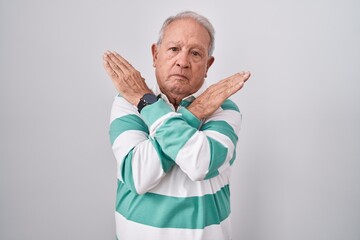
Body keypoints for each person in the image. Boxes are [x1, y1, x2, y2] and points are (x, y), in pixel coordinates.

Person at [103, 11, 250, 240]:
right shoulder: (128, 103)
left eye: (195, 53)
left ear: (208, 65)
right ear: (155, 54)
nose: (182, 62)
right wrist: (194, 113)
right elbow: (138, 175)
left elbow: (200, 163)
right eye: (174, 49)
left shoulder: (224, 108)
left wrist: (149, 107)